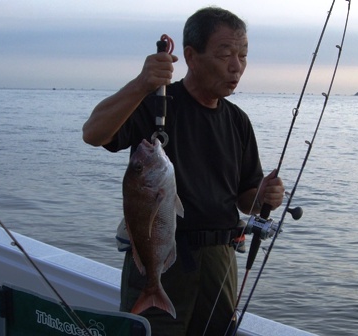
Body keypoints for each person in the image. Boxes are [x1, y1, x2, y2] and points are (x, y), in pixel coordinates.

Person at [83, 6, 285, 336]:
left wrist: (264, 194)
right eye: (225, 54)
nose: (237, 67)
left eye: (243, 56)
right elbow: (93, 133)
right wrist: (141, 84)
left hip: (221, 262)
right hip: (162, 257)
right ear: (191, 56)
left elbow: (247, 200)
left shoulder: (238, 121)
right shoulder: (156, 104)